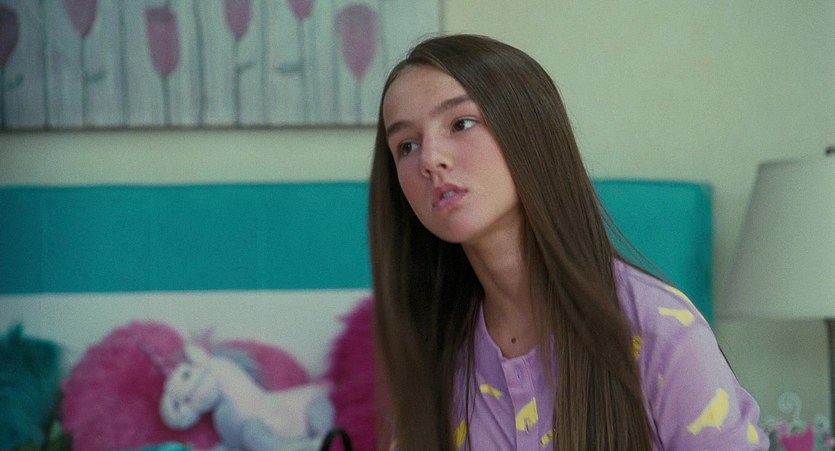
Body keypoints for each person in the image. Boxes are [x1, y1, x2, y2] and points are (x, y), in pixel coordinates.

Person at [368, 33, 767, 450]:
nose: (430, 159)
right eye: (407, 145)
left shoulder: (658, 330)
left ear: (532, 132)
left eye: (461, 124)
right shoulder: (431, 353)